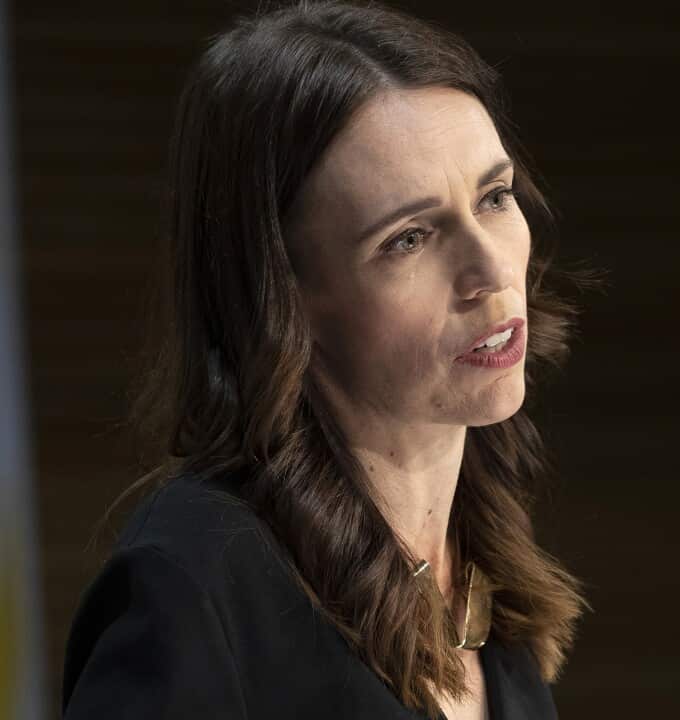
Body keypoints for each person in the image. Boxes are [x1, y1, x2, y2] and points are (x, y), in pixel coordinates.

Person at [60, 3, 585, 718]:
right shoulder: (196, 582)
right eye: (410, 238)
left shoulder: (488, 565)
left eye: (495, 197)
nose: (489, 270)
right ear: (284, 293)